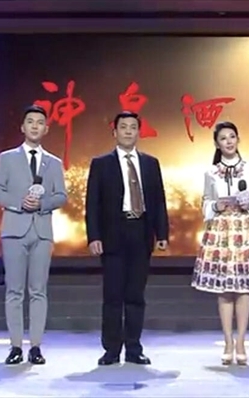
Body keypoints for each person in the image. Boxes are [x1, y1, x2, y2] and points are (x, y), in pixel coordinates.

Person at [85, 111, 170, 366]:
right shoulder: (101, 164)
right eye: (123, 127)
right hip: (112, 235)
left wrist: (162, 233)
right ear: (115, 132)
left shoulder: (150, 163)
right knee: (113, 296)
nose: (128, 131)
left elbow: (159, 201)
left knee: (135, 295)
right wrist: (94, 236)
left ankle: (134, 348)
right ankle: (111, 350)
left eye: (133, 127)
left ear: (138, 132)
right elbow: (92, 204)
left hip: (141, 232)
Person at [190, 121, 249, 366]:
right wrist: (215, 205)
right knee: (225, 289)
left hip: (244, 229)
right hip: (221, 231)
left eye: (232, 137)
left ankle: (241, 342)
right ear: (217, 144)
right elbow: (205, 203)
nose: (228, 141)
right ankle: (228, 341)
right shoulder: (211, 172)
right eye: (223, 138)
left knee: (244, 288)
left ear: (238, 140)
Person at [0, 105, 67, 365]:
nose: (35, 126)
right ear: (22, 127)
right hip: (14, 230)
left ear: (46, 129)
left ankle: (35, 346)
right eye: (30, 121)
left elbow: (61, 196)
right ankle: (15, 346)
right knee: (14, 291)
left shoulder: (53, 163)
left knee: (38, 291)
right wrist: (18, 203)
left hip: (42, 232)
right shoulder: (7, 158)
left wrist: (42, 204)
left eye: (40, 122)